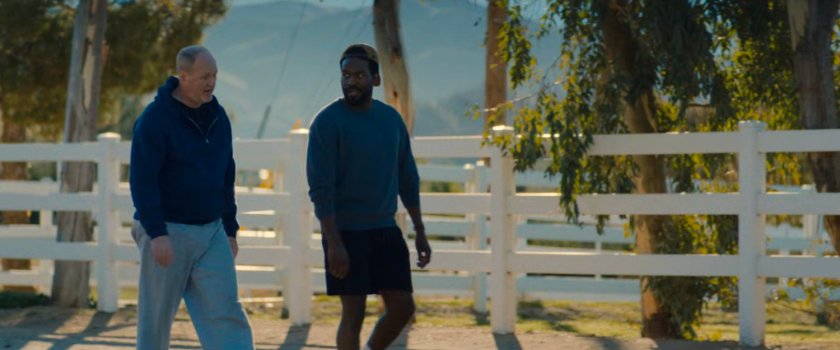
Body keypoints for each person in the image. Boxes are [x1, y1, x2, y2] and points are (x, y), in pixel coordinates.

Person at [306, 43, 432, 350]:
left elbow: (407, 177)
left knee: (403, 306)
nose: (351, 81)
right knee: (354, 312)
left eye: (359, 75)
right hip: (345, 232)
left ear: (375, 80)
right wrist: (333, 242)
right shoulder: (327, 122)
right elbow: (321, 188)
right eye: (346, 75)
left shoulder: (391, 121)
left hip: (384, 229)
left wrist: (420, 230)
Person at [129, 45, 254, 350]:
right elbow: (142, 181)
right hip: (167, 231)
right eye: (204, 76)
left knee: (226, 311)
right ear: (183, 76)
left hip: (211, 232)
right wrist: (157, 233)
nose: (211, 82)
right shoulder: (155, 119)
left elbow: (227, 174)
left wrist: (230, 228)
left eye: (214, 76)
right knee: (156, 321)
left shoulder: (218, 116)